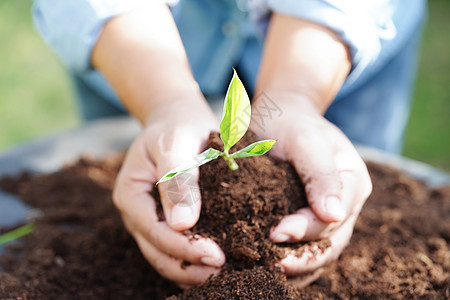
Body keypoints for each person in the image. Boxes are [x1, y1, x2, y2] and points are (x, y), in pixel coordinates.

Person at [32, 0, 427, 289]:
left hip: (331, 42)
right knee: (148, 169)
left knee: (333, 174)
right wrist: (164, 102)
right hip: (134, 40)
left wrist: (295, 94)